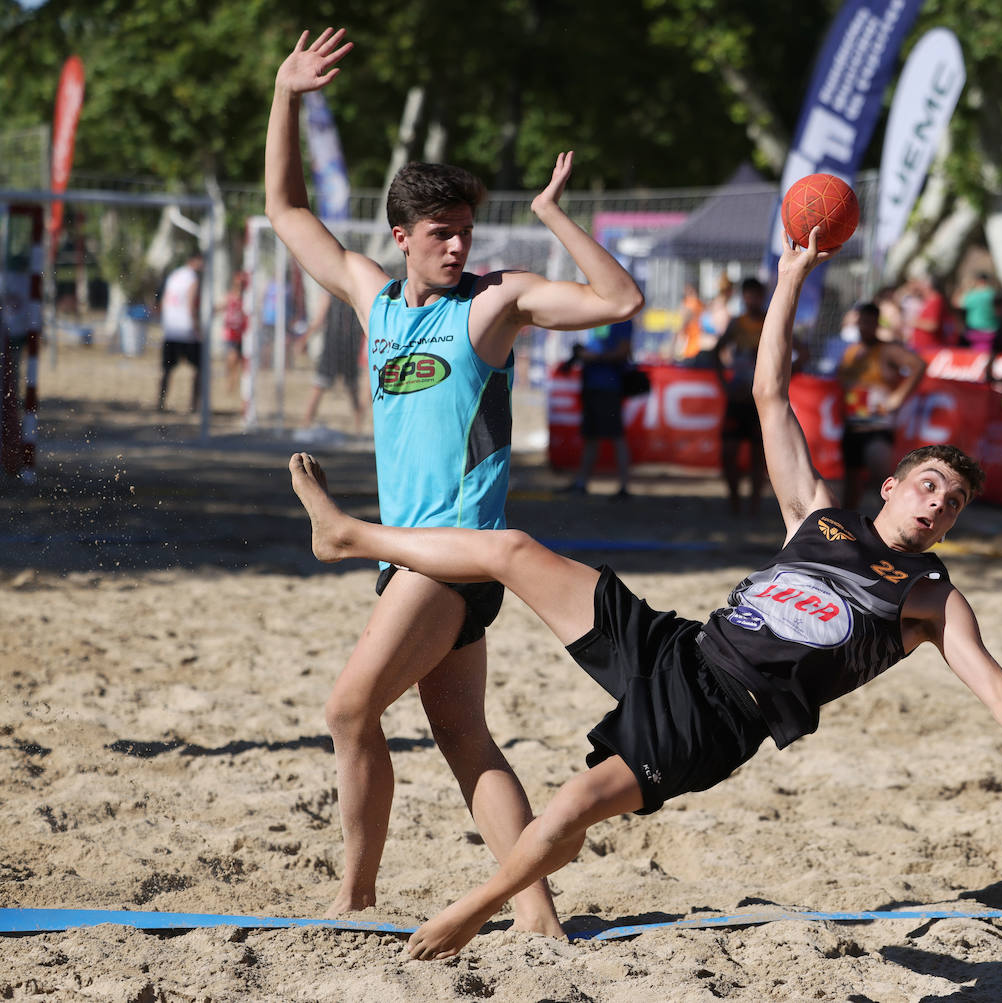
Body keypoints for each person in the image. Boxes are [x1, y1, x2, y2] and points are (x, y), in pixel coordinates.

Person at [286, 227, 1002, 962]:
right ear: (895, 485)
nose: (939, 506)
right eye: (931, 486)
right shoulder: (818, 516)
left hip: (720, 718)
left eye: (954, 504)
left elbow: (986, 674)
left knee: (575, 804)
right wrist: (791, 280)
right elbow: (769, 392)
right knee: (507, 548)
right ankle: (350, 535)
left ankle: (477, 910)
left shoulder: (930, 595)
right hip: (678, 646)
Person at [266, 28, 643, 928]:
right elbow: (285, 210)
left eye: (465, 230)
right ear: (401, 237)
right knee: (466, 740)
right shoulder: (375, 297)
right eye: (440, 232)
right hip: (417, 561)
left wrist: (555, 218)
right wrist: (285, 96)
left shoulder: (494, 300)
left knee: (350, 709)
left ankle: (354, 900)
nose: (456, 244)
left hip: (455, 561)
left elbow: (620, 302)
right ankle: (539, 920)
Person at [836, 302, 927, 509]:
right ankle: (847, 530)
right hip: (853, 425)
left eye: (869, 322)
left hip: (877, 427)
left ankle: (889, 529)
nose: (864, 327)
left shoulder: (887, 350)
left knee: (883, 482)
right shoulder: (852, 352)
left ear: (877, 323)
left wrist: (899, 396)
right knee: (851, 483)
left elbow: (918, 365)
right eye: (861, 323)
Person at [712, 276, 767, 514]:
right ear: (743, 297)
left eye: (756, 295)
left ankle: (753, 507)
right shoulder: (737, 323)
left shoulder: (770, 321)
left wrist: (783, 377)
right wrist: (724, 384)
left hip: (761, 402)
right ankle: (734, 504)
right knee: (728, 454)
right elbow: (715, 352)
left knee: (759, 457)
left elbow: (800, 351)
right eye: (748, 295)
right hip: (737, 399)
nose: (751, 300)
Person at [561, 319, 633, 498]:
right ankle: (582, 482)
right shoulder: (599, 317)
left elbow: (624, 352)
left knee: (616, 436)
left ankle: (624, 486)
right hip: (592, 384)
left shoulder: (622, 318)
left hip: (608, 386)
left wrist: (593, 357)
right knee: (590, 436)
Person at [299, 291, 367, 436]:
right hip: (337, 347)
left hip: (341, 348)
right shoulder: (348, 293)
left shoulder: (338, 293)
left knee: (349, 389)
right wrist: (305, 339)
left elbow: (319, 320)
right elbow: (320, 320)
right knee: (323, 387)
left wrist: (304, 340)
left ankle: (358, 428)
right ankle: (306, 423)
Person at [156, 250, 203, 413]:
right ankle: (193, 405)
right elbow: (191, 304)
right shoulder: (192, 278)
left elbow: (162, 300)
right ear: (195, 260)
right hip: (187, 330)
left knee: (167, 370)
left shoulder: (174, 275)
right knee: (199, 369)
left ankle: (160, 403)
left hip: (171, 329)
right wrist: (197, 327)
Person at [219, 270, 248, 403]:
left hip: (243, 334)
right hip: (231, 332)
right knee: (232, 359)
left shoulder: (247, 299)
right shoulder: (230, 296)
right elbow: (222, 307)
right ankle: (230, 383)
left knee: (241, 362)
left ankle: (235, 384)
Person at [958, 272, 998, 351]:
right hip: (993, 330)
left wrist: (965, 288)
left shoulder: (972, 295)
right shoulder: (994, 294)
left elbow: (957, 303)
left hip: (975, 331)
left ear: (979, 281)